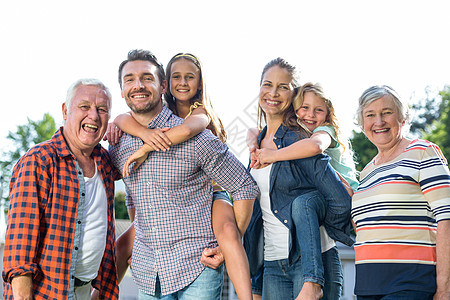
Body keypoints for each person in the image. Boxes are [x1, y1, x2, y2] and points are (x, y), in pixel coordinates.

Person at [108, 49, 259, 299]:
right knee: (122, 243)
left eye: (147, 77)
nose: (138, 85)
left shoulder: (196, 127)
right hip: (149, 273)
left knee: (229, 234)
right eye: (129, 79)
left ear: (161, 85)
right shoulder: (120, 140)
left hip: (198, 263)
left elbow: (245, 186)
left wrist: (224, 247)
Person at [243, 58, 353, 300]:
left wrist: (326, 225)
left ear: (294, 95)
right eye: (267, 84)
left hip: (312, 265)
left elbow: (341, 202)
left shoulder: (299, 140)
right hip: (272, 266)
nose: (273, 93)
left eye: (283, 87)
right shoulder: (256, 144)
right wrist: (256, 283)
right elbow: (256, 218)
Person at [2, 79, 119, 299]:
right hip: (45, 293)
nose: (93, 115)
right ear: (65, 110)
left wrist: (122, 124)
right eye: (84, 106)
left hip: (85, 290)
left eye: (102, 110)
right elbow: (20, 246)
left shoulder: (104, 162)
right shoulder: (39, 161)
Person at [352, 85, 450, 300]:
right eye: (370, 115)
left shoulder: (423, 152)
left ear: (402, 118)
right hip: (368, 286)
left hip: (411, 281)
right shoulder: (367, 172)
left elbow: (447, 218)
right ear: (362, 122)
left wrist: (445, 287)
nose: (379, 122)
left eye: (387, 112)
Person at [251, 82, 358, 192]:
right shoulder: (297, 134)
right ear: (295, 110)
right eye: (305, 107)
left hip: (348, 194)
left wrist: (273, 155)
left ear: (327, 115)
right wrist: (253, 145)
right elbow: (253, 131)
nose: (311, 114)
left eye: (319, 110)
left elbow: (315, 146)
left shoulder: (325, 131)